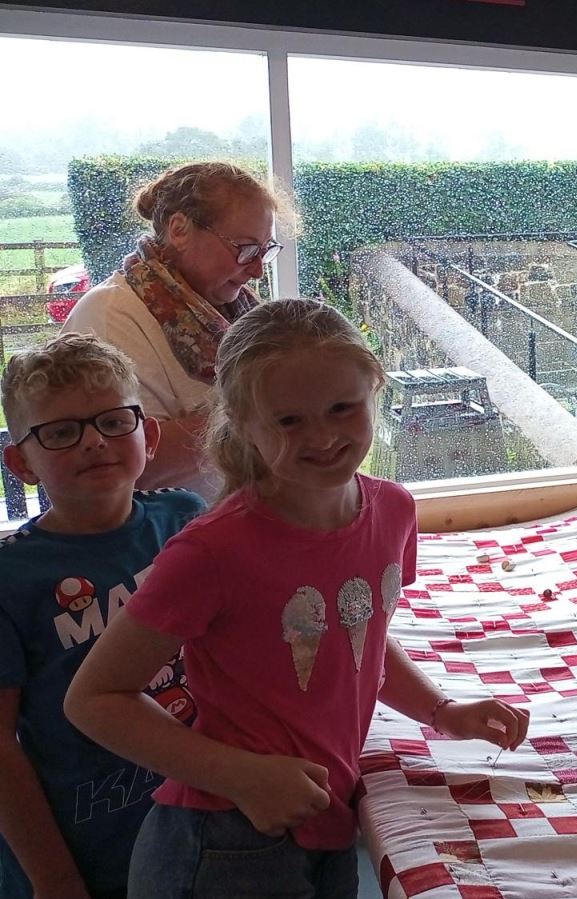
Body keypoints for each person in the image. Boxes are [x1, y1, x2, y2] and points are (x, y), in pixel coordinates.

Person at [63, 300, 530, 899]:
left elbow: (356, 635)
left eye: (342, 408)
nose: (324, 436)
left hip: (322, 814)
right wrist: (243, 777)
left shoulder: (393, 511)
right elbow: (94, 698)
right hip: (222, 838)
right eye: (288, 421)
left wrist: (440, 711)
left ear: (374, 392)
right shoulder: (213, 551)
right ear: (242, 425)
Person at [0, 334, 206, 898]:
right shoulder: (10, 579)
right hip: (82, 850)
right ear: (21, 461)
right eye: (61, 432)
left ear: (149, 434)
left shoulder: (187, 522)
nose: (93, 442)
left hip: (198, 815)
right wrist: (54, 880)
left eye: (114, 421)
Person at [63, 161, 289, 500]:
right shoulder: (108, 317)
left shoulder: (236, 310)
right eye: (244, 249)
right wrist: (268, 403)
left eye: (264, 251)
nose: (257, 270)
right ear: (179, 230)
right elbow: (126, 464)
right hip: (163, 539)